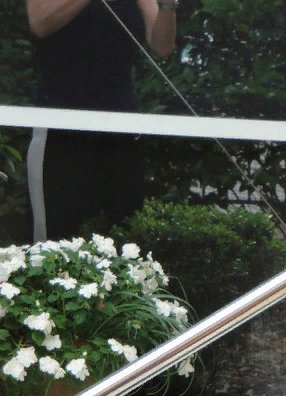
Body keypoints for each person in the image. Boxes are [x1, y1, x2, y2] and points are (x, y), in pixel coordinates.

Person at [25, 0, 177, 242]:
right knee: (55, 239)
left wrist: (169, 6)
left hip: (120, 124)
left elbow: (162, 46)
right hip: (60, 125)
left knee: (124, 233)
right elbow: (40, 23)